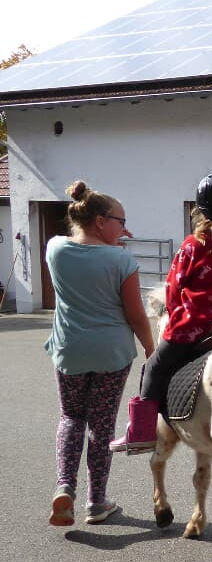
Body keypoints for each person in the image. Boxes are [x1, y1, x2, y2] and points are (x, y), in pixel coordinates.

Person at [109, 172, 212, 453]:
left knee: (154, 367)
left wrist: (172, 319)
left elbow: (175, 289)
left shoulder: (193, 245)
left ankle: (141, 433)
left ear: (201, 212)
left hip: (195, 327)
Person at [46, 180, 155, 526]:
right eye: (120, 222)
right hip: (111, 353)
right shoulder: (122, 259)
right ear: (100, 221)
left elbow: (83, 256)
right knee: (102, 424)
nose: (125, 228)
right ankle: (97, 502)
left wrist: (111, 242)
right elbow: (136, 315)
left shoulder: (55, 248)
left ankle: (65, 486)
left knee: (71, 417)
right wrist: (152, 349)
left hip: (70, 350)